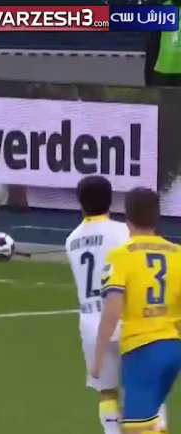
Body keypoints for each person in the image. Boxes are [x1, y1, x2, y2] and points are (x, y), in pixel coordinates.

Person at [65, 176, 162, 433]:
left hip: (91, 324)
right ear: (111, 201)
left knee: (107, 392)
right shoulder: (122, 232)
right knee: (146, 385)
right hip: (125, 318)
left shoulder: (71, 240)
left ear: (80, 203)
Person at [94, 187, 181, 434]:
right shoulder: (177, 254)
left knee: (135, 428)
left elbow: (113, 308)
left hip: (141, 350)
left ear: (127, 217)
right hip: (173, 349)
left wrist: (98, 356)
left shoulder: (120, 256)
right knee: (150, 423)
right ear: (158, 216)